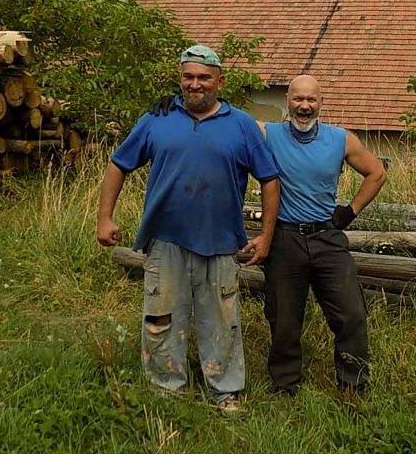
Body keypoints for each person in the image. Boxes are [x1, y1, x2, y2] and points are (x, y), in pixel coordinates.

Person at [96, 44, 281, 412]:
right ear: (180, 79)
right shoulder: (157, 119)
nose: (196, 84)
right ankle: (166, 391)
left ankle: (225, 391)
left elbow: (270, 180)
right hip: (165, 239)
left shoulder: (241, 125)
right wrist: (105, 217)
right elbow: (118, 165)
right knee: (161, 317)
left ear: (220, 82)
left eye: (204, 78)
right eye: (189, 77)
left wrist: (266, 236)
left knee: (222, 321)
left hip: (221, 240)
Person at [258, 74, 386, 397]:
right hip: (285, 238)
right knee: (284, 317)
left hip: (327, 238)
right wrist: (178, 106)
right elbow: (225, 121)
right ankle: (285, 385)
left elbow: (376, 173)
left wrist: (350, 211)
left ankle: (352, 386)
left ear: (321, 103)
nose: (304, 106)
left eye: (311, 99)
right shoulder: (268, 134)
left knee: (351, 313)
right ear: (286, 102)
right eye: (298, 99)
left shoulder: (341, 140)